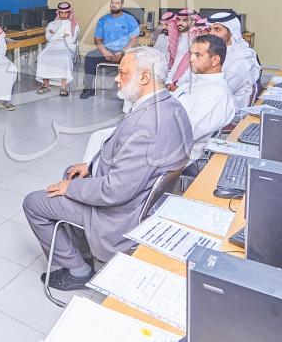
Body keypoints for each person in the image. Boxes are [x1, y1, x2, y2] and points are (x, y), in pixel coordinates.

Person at [23, 46, 193, 290]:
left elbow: (114, 191)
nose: (116, 78)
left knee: (34, 203)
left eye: (123, 73)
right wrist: (91, 165)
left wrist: (69, 188)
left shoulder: (147, 124)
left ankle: (78, 270)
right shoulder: (171, 106)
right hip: (137, 198)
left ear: (145, 77)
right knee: (72, 171)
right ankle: (83, 247)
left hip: (118, 214)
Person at [172, 34, 236, 162]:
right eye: (191, 54)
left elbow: (187, 133)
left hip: (176, 156)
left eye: (198, 55)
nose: (191, 59)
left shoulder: (216, 93)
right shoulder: (195, 82)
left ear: (215, 60)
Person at [80, 0, 140, 99]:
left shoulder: (130, 19)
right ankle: (89, 88)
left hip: (124, 51)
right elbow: (97, 39)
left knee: (135, 61)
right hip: (107, 51)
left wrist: (122, 51)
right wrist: (104, 51)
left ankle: (129, 90)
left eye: (117, 3)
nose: (114, 5)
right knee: (90, 56)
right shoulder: (103, 20)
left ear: (122, 5)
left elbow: (134, 40)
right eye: (112, 3)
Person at [207, 11, 262, 110]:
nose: (211, 34)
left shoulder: (240, 59)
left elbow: (220, 92)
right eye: (210, 29)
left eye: (217, 29)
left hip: (229, 110)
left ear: (231, 32)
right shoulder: (214, 52)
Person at [35, 1, 81, 97]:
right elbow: (48, 38)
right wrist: (62, 34)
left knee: (65, 58)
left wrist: (56, 34)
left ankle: (63, 87)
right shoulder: (52, 24)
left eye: (66, 13)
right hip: (52, 46)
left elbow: (72, 40)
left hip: (67, 47)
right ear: (58, 13)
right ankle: (46, 85)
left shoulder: (74, 24)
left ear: (69, 13)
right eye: (61, 13)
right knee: (42, 57)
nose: (64, 15)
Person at [165, 12, 209, 90]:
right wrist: (169, 81)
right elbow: (176, 63)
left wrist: (178, 84)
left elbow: (192, 69)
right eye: (178, 20)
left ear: (194, 22)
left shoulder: (198, 41)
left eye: (185, 20)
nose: (180, 23)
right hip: (177, 84)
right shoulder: (179, 39)